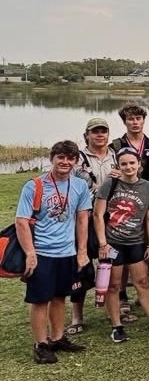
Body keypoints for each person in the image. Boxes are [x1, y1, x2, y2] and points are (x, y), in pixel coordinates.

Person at [15, 140, 93, 364]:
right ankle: (40, 344)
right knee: (40, 300)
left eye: (70, 158)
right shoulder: (35, 186)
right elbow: (21, 221)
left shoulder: (79, 186)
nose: (65, 162)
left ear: (76, 161)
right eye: (61, 157)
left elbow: (81, 219)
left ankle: (57, 338)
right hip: (42, 252)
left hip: (66, 252)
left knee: (60, 297)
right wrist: (30, 253)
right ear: (52, 159)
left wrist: (81, 251)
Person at [95, 148, 149, 342]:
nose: (128, 167)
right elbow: (97, 215)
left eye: (132, 163)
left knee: (142, 282)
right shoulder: (110, 185)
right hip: (112, 243)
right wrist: (103, 243)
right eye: (124, 164)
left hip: (136, 242)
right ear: (118, 166)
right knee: (113, 286)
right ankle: (116, 326)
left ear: (139, 164)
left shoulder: (148, 187)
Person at [68, 118, 114, 335]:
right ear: (86, 134)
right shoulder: (78, 159)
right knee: (81, 263)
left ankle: (113, 309)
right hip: (84, 218)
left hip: (112, 218)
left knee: (110, 263)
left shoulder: (116, 155)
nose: (100, 135)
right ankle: (77, 316)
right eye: (95, 132)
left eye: (103, 131)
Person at [110, 104, 149, 184]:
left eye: (138, 118)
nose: (135, 122)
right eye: (131, 119)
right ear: (124, 122)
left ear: (143, 120)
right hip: (124, 193)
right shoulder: (115, 146)